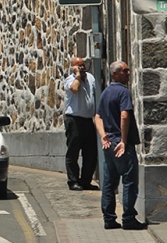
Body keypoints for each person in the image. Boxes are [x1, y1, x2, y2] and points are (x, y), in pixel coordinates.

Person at [94, 61, 147, 231]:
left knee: (109, 182)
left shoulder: (106, 92)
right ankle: (129, 219)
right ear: (115, 74)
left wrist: (103, 137)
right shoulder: (123, 92)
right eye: (125, 71)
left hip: (109, 143)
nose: (129, 73)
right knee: (129, 181)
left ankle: (109, 219)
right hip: (120, 143)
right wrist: (123, 141)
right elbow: (125, 116)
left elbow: (97, 117)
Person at [63, 56, 98, 191]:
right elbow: (75, 89)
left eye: (83, 65)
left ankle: (85, 181)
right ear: (73, 67)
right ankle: (73, 181)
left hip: (88, 120)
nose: (82, 67)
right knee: (73, 151)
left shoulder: (90, 78)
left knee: (90, 153)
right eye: (78, 66)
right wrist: (77, 75)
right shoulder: (70, 79)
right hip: (74, 120)